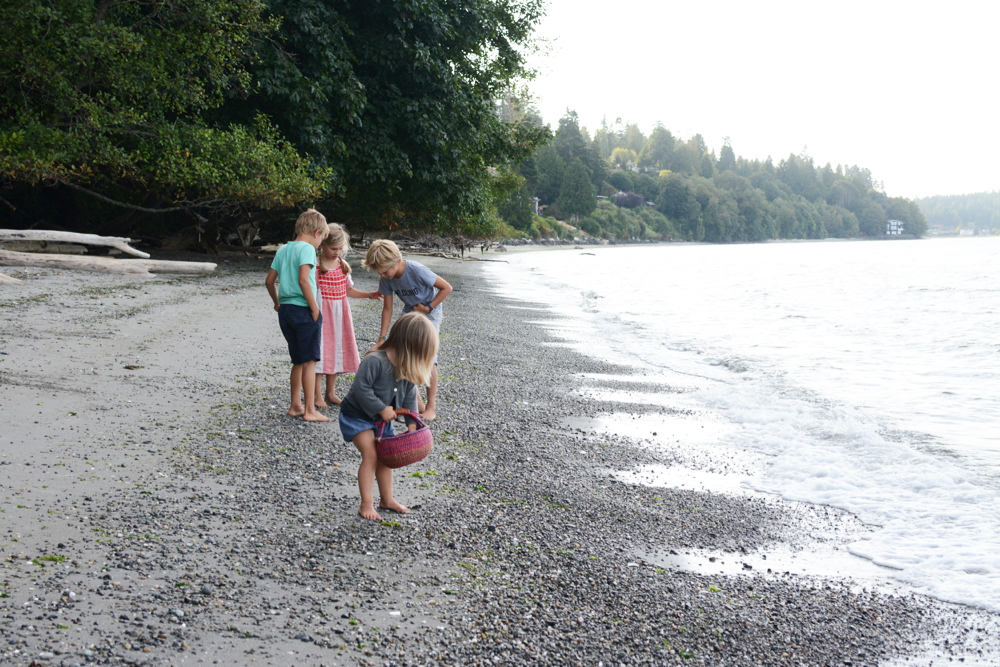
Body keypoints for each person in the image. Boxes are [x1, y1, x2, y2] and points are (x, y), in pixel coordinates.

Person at [338, 313, 438, 521]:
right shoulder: (374, 360)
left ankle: (387, 499)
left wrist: (412, 424)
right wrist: (381, 408)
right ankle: (366, 503)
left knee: (385, 458)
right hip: (357, 415)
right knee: (372, 455)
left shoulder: (406, 366)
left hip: (383, 421)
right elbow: (360, 388)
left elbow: (410, 396)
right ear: (410, 346)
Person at [362, 239, 452, 421]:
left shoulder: (416, 270)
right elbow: (387, 308)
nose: (383, 275)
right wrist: (382, 337)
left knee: (428, 358)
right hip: (410, 313)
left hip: (430, 313)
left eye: (385, 271)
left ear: (396, 260)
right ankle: (417, 405)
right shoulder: (386, 279)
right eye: (379, 272)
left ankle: (431, 406)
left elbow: (446, 288)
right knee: (403, 355)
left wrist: (429, 307)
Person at [265, 209, 329, 422]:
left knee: (298, 361)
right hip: (303, 308)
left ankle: (295, 405)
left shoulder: (283, 249)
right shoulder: (308, 249)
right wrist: (314, 308)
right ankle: (310, 410)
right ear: (317, 232)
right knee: (310, 360)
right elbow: (304, 280)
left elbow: (269, 281)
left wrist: (277, 302)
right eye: (322, 239)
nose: (320, 245)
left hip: (285, 311)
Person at [313, 223, 382, 409]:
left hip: (339, 316)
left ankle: (330, 393)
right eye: (333, 248)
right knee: (320, 352)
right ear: (322, 245)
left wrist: (368, 294)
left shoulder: (342, 265)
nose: (337, 252)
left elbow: (348, 290)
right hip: (322, 314)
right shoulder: (316, 266)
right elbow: (311, 291)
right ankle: (316, 395)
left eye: (340, 249)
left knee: (334, 350)